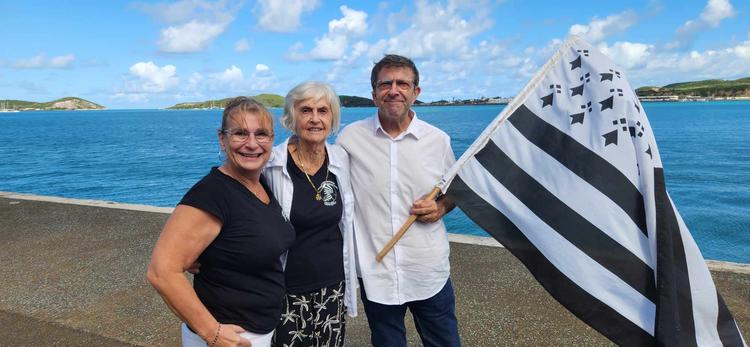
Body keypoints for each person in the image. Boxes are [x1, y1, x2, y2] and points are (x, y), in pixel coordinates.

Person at [147, 97, 295, 347]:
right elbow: (162, 271)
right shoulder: (212, 193)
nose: (251, 144)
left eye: (261, 134)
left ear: (271, 140)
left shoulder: (260, 185)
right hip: (232, 337)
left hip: (259, 331)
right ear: (222, 139)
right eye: (240, 133)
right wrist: (211, 332)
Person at [336, 54, 461, 347]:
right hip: (376, 271)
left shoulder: (438, 140)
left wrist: (441, 206)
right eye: (385, 84)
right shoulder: (350, 138)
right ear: (374, 94)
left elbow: (456, 191)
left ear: (416, 92)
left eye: (403, 83)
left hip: (428, 269)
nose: (394, 90)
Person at [264, 81, 357, 347]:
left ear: (332, 118)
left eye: (323, 111)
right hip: (286, 288)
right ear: (292, 117)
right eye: (306, 110)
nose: (315, 119)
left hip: (333, 286)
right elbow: (238, 203)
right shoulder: (271, 163)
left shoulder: (341, 159)